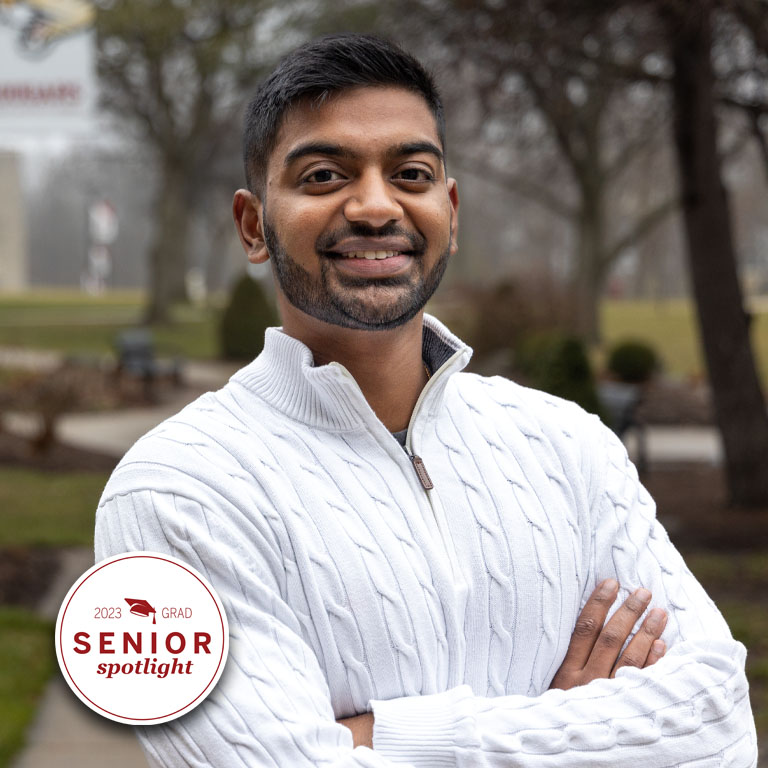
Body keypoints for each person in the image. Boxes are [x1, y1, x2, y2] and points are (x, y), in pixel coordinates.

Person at [95, 33, 757, 767]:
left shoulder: (568, 446)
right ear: (254, 225)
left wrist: (389, 737)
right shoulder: (174, 493)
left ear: (450, 208)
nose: (376, 207)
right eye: (323, 176)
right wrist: (570, 725)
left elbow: (720, 724)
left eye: (410, 172)